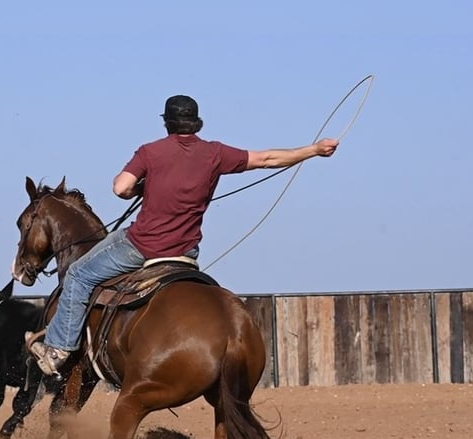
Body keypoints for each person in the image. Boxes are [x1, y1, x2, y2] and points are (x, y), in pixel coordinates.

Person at [28, 94, 338, 375]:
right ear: (196, 123)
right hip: (185, 253)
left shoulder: (150, 152)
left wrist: (142, 186)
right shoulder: (215, 153)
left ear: (167, 124)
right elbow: (267, 159)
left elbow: (120, 188)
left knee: (80, 274)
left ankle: (58, 348)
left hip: (142, 246)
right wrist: (313, 150)